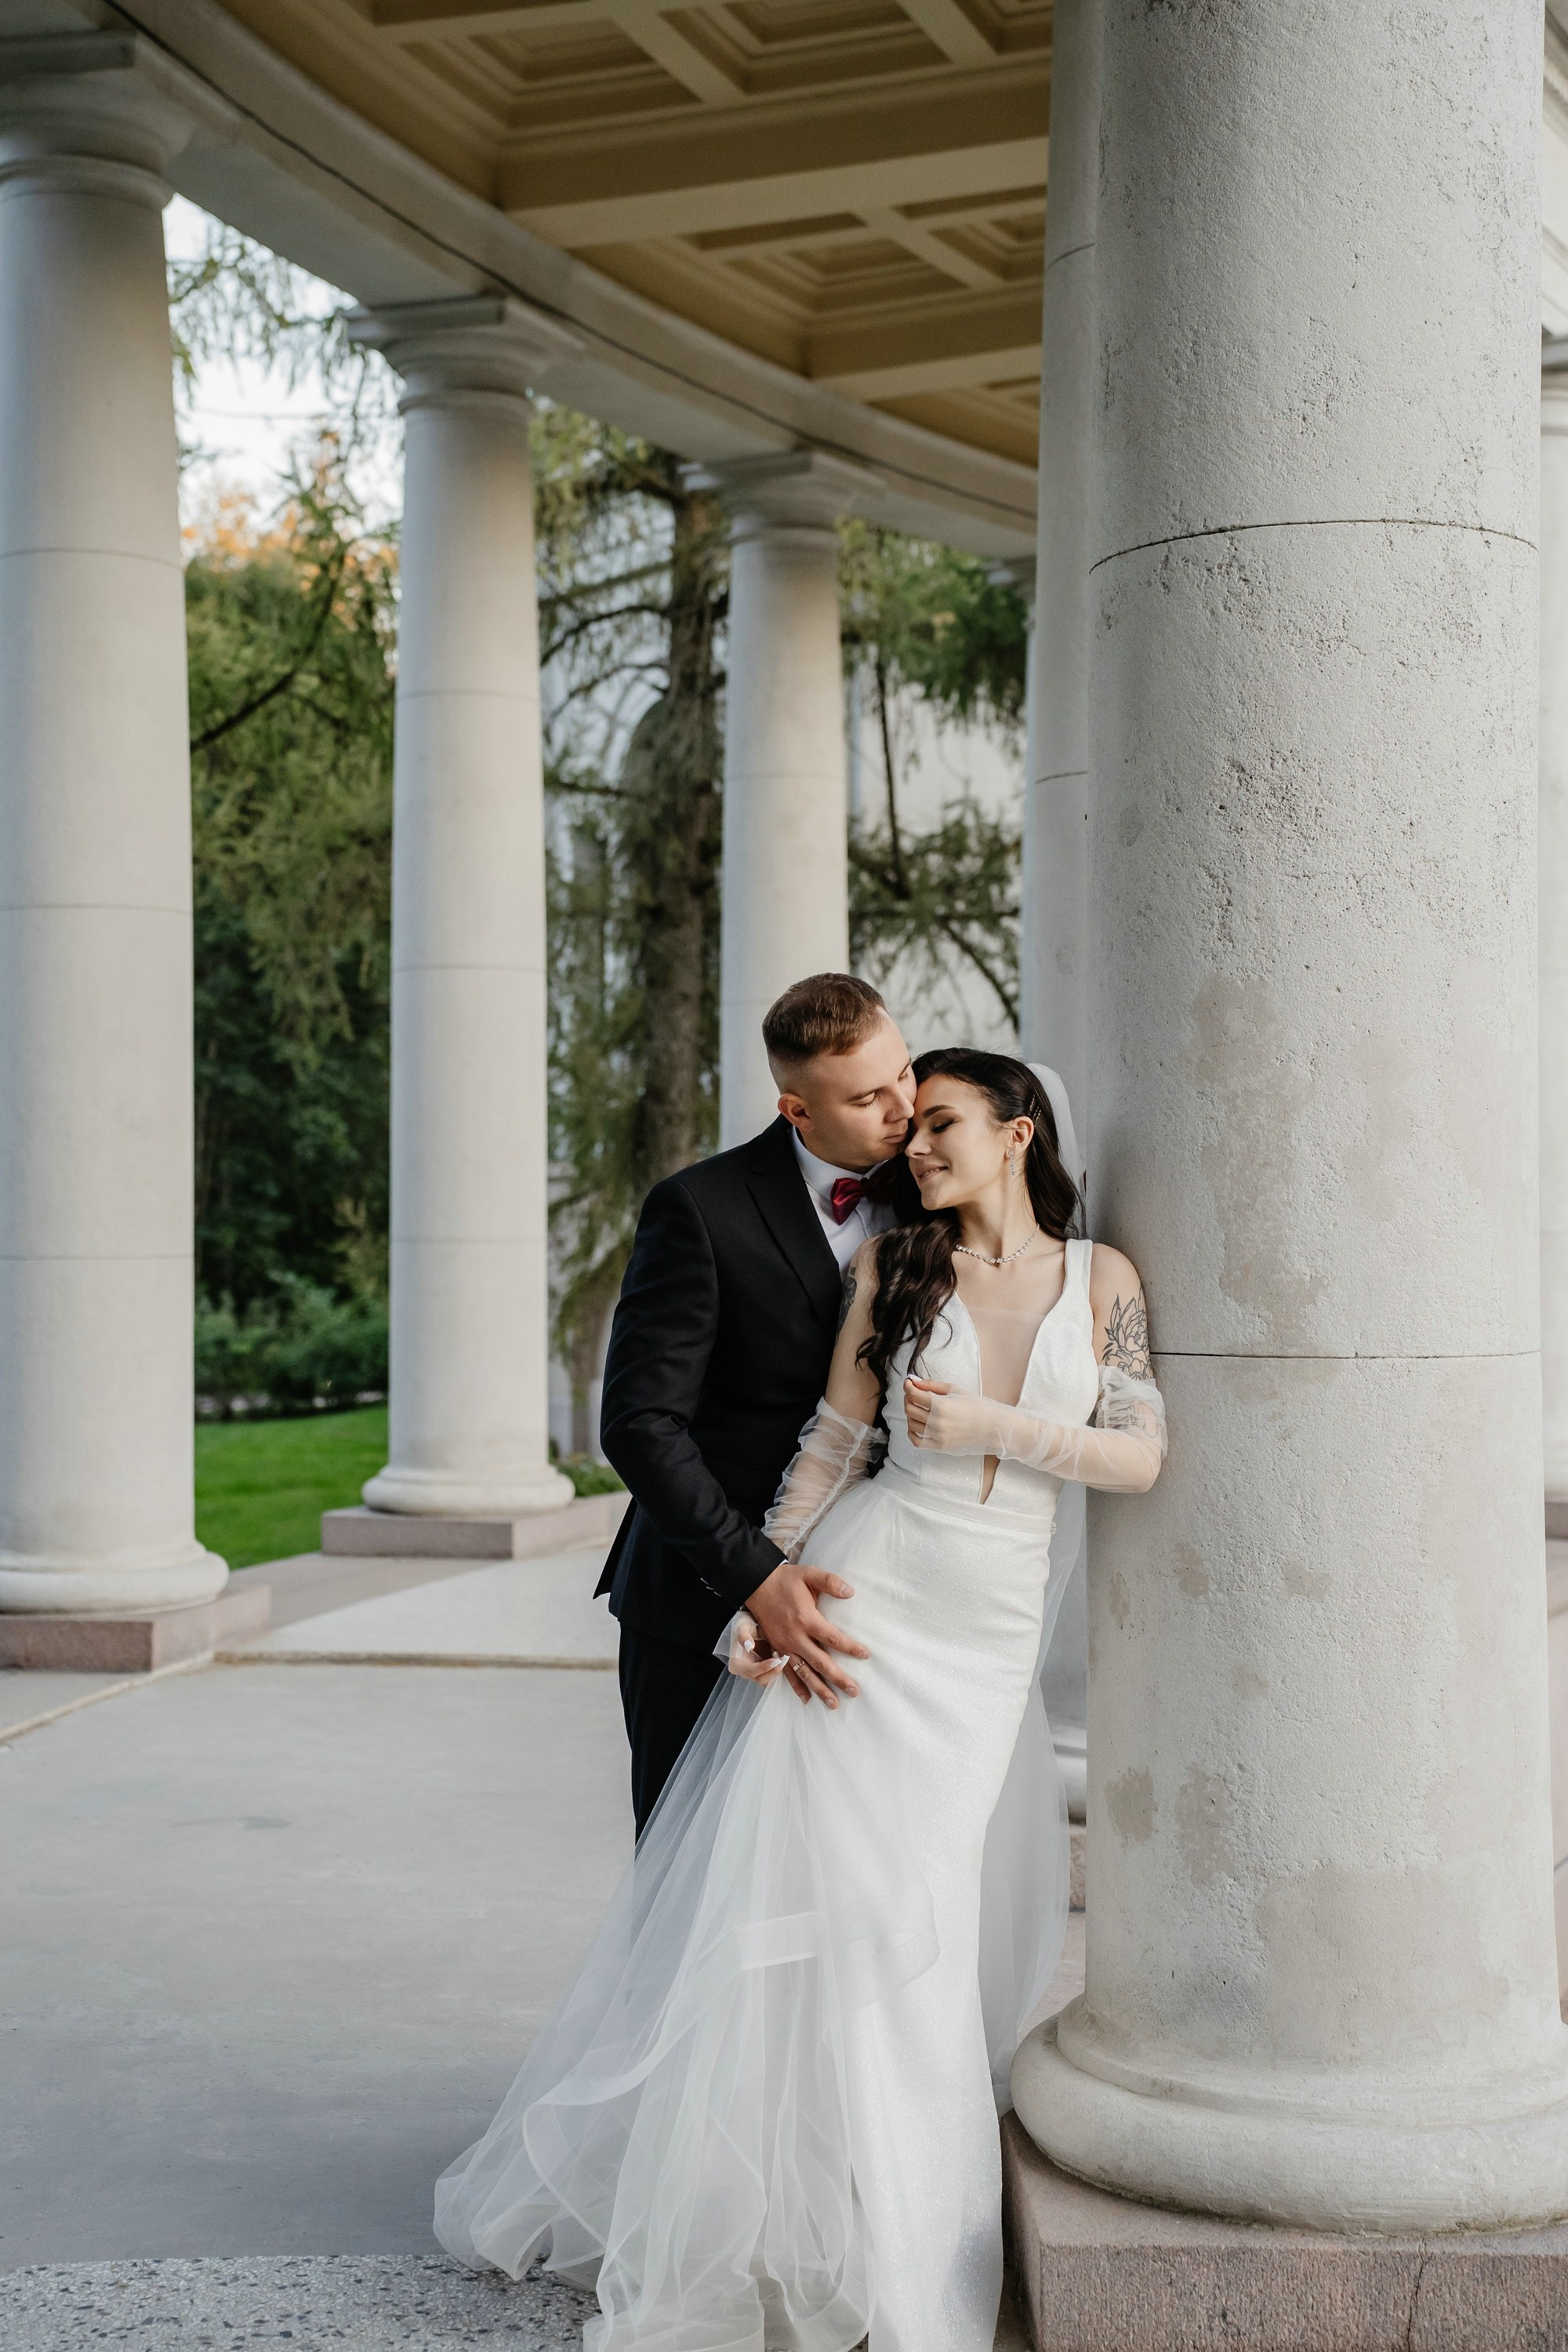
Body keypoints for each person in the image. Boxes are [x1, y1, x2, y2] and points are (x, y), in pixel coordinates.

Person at [435, 1049, 1167, 2352]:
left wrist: (996, 1427)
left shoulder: (1104, 1280)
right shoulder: (894, 1268)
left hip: (988, 1638)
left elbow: (1139, 1453)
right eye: (909, 1127)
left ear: (1018, 1131)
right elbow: (831, 1447)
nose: (914, 1150)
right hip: (869, 1602)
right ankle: (797, 2228)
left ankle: (873, 2212)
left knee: (916, 1906)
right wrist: (757, 1602)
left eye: (939, 1124)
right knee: (826, 1903)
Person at [594, 971, 917, 1833]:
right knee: (690, 1878)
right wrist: (756, 1577)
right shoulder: (698, 1210)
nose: (900, 1109)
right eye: (864, 1098)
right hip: (701, 1601)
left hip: (879, 1596)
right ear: (795, 1110)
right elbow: (639, 1424)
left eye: (903, 1075)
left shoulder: (938, 1191)